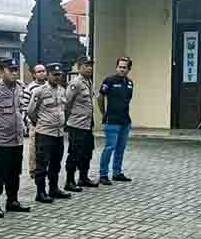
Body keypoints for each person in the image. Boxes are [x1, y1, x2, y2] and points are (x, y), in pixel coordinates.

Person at [0, 57, 31, 218]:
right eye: (11, 70)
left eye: (16, 70)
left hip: (17, 140)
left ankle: (12, 201)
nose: (15, 73)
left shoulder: (20, 88)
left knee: (14, 173)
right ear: (2, 72)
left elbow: (21, 110)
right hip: (1, 141)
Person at [27, 63, 71, 204]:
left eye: (59, 75)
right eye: (54, 75)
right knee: (42, 165)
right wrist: (40, 123)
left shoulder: (62, 90)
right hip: (45, 133)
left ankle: (54, 189)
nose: (57, 77)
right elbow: (31, 111)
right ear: (48, 75)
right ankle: (40, 192)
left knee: (56, 163)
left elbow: (65, 109)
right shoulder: (39, 91)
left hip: (58, 134)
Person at [98, 57, 135, 184]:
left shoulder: (130, 83)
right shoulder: (109, 80)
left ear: (129, 69)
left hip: (125, 121)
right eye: (120, 67)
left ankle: (117, 173)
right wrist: (104, 113)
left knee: (121, 148)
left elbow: (127, 100)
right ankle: (103, 175)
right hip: (112, 121)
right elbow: (100, 97)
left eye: (124, 67)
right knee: (109, 147)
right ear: (116, 67)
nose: (121, 69)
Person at [64, 57, 99, 192]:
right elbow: (67, 103)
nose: (89, 68)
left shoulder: (89, 82)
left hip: (87, 124)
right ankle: (69, 181)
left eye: (90, 65)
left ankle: (83, 178)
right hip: (76, 125)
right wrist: (66, 121)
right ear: (79, 68)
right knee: (75, 153)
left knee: (87, 152)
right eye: (86, 66)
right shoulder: (75, 83)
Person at [22, 63, 47, 178]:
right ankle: (33, 170)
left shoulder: (49, 86)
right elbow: (24, 106)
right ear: (34, 74)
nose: (42, 73)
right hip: (34, 123)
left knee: (45, 148)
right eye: (39, 71)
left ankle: (43, 168)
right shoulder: (30, 88)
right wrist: (29, 121)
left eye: (43, 71)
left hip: (47, 124)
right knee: (33, 147)